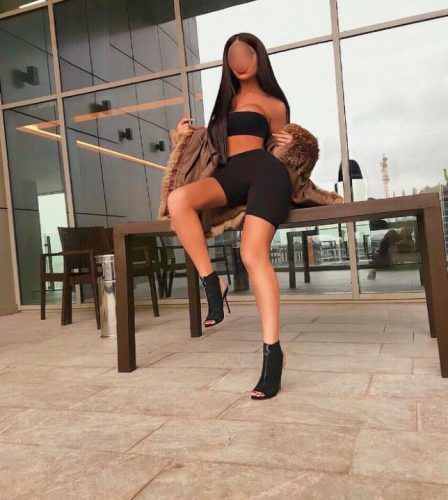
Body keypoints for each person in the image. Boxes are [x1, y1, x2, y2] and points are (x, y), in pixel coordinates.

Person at [167, 32, 294, 400]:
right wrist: (182, 137)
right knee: (178, 200)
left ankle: (272, 354)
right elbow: (209, 150)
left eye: (245, 53)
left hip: (267, 173)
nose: (239, 61)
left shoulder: (274, 103)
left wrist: (288, 145)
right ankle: (213, 284)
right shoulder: (225, 102)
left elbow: (283, 149)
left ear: (258, 57)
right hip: (231, 175)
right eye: (232, 55)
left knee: (252, 254)